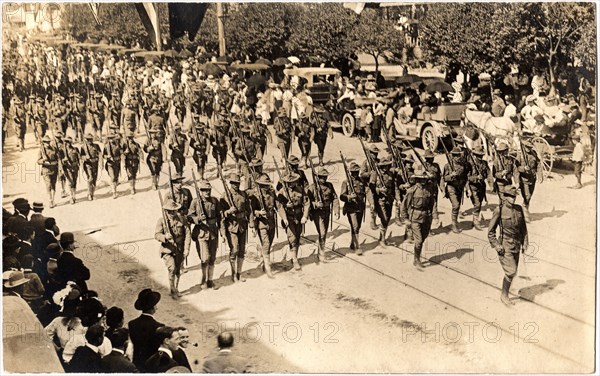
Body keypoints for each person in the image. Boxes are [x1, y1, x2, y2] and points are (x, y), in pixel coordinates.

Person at [487, 186, 528, 306]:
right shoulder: (499, 210)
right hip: (505, 245)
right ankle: (504, 295)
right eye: (510, 196)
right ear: (504, 197)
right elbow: (490, 232)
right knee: (511, 271)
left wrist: (525, 243)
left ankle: (505, 293)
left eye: (514, 196)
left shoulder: (519, 209)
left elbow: (523, 229)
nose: (513, 199)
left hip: (517, 244)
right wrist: (496, 245)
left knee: (512, 272)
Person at [188, 180, 222, 290]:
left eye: (208, 190)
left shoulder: (214, 201)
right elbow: (189, 217)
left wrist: (223, 232)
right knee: (204, 258)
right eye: (204, 190)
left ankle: (210, 280)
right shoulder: (195, 202)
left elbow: (219, 217)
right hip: (201, 233)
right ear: (201, 191)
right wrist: (198, 219)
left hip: (213, 232)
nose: (207, 192)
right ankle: (203, 280)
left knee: (212, 258)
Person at [401, 164, 435, 269]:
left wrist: (434, 216)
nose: (423, 181)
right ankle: (417, 259)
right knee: (419, 240)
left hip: (426, 218)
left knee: (423, 239)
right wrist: (406, 219)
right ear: (417, 180)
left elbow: (432, 204)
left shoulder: (429, 189)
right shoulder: (412, 191)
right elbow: (404, 206)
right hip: (415, 218)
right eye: (420, 179)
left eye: (424, 179)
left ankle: (417, 255)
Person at [220, 173, 251, 283]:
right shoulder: (225, 196)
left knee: (242, 250)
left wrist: (251, 223)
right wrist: (228, 212)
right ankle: (233, 274)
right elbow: (221, 215)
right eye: (234, 183)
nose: (236, 185)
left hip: (242, 225)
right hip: (232, 226)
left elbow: (248, 209)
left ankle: (239, 273)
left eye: (237, 183)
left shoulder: (243, 194)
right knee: (234, 250)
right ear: (230, 183)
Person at [276, 172, 310, 271]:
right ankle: (295, 260)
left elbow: (307, 203)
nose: (291, 184)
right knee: (292, 238)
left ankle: (294, 255)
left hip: (299, 217)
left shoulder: (301, 190)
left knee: (298, 237)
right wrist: (284, 217)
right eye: (289, 182)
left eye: (293, 182)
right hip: (289, 218)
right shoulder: (282, 192)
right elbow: (279, 206)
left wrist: (305, 216)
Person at [155, 198, 187, 299]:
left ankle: (176, 288)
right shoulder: (162, 221)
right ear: (166, 211)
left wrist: (187, 249)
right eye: (169, 211)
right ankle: (173, 290)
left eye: (174, 211)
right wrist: (165, 237)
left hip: (179, 249)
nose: (172, 213)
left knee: (177, 270)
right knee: (172, 268)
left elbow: (187, 234)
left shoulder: (181, 219)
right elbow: (156, 234)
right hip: (167, 250)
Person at [306, 167, 339, 262]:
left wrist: (336, 210)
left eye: (325, 177)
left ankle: (320, 251)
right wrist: (316, 204)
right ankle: (321, 253)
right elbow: (307, 202)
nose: (324, 179)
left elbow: (335, 197)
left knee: (324, 233)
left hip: (327, 212)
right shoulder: (312, 187)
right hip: (317, 213)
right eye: (322, 177)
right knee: (322, 233)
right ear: (318, 177)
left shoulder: (329, 185)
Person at [128, 288, 165, 371]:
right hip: (152, 365)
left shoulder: (132, 324)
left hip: (137, 363)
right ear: (153, 307)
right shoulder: (159, 326)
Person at [249, 174, 277, 278]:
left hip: (271, 222)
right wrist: (259, 213)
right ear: (259, 185)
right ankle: (268, 267)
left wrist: (284, 218)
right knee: (266, 243)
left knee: (269, 243)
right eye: (263, 185)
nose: (265, 187)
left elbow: (278, 206)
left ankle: (265, 261)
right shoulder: (255, 196)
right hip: (261, 223)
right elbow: (251, 210)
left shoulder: (272, 194)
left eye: (267, 185)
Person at [339, 161, 366, 254]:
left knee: (357, 226)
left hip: (360, 207)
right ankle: (357, 246)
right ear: (350, 172)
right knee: (355, 226)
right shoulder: (346, 182)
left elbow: (366, 191)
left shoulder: (362, 180)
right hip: (351, 208)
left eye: (357, 172)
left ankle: (353, 243)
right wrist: (349, 197)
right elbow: (342, 196)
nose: (356, 174)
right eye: (354, 172)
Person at [370, 156, 397, 246]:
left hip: (389, 199)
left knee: (387, 218)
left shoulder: (390, 174)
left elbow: (394, 186)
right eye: (384, 166)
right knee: (384, 218)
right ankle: (382, 239)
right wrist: (380, 190)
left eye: (387, 166)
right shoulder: (375, 174)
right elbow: (371, 187)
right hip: (379, 199)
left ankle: (382, 237)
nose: (385, 168)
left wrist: (396, 197)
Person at [443, 147, 469, 233]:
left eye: (458, 155)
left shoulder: (463, 166)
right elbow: (444, 178)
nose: (457, 157)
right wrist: (451, 175)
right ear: (452, 156)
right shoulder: (447, 166)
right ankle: (453, 225)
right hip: (451, 187)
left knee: (456, 207)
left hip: (459, 188)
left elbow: (465, 178)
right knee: (456, 205)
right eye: (455, 156)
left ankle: (455, 220)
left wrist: (467, 188)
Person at [516, 139, 539, 222]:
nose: (528, 149)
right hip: (524, 178)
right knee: (527, 196)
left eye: (530, 147)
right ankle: (525, 212)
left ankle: (525, 210)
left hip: (532, 178)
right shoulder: (520, 155)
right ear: (524, 146)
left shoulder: (534, 153)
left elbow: (538, 164)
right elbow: (516, 167)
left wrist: (540, 175)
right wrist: (523, 168)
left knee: (530, 195)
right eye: (527, 147)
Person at [466, 146, 489, 230]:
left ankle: (474, 220)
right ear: (474, 155)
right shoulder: (469, 164)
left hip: (481, 187)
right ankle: (476, 222)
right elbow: (467, 177)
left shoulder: (484, 163)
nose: (480, 157)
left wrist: (483, 177)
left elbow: (487, 174)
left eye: (481, 156)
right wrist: (476, 178)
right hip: (473, 187)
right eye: (478, 155)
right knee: (477, 204)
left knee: (479, 203)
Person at [359, 145, 381, 230]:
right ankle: (373, 221)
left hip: (378, 185)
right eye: (373, 153)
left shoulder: (378, 162)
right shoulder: (366, 162)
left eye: (376, 154)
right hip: (369, 186)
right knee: (373, 203)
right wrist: (369, 173)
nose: (375, 156)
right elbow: (362, 174)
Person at [37, 135, 59, 207]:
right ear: (43, 142)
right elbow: (38, 161)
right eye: (46, 142)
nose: (47, 143)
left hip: (54, 169)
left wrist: (55, 163)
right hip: (46, 170)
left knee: (53, 185)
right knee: (48, 185)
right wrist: (44, 160)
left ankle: (53, 200)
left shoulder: (54, 149)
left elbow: (57, 158)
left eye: (48, 142)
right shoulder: (41, 150)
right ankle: (50, 200)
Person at [80, 133, 101, 200]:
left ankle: (92, 194)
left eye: (91, 139)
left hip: (95, 164)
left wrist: (101, 162)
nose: (90, 141)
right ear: (86, 140)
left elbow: (100, 154)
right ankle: (89, 193)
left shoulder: (96, 145)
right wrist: (85, 157)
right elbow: (81, 156)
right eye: (88, 139)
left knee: (94, 179)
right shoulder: (83, 147)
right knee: (90, 178)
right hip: (88, 164)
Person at [103, 131, 123, 199]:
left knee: (116, 177)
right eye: (109, 138)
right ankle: (114, 192)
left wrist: (121, 154)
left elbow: (121, 152)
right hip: (110, 164)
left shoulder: (118, 145)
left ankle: (115, 187)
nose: (111, 139)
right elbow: (103, 155)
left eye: (112, 138)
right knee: (112, 177)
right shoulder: (106, 146)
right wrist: (107, 157)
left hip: (117, 163)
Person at [62, 136, 80, 204]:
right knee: (70, 182)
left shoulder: (75, 149)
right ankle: (70, 197)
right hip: (67, 168)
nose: (68, 143)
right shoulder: (62, 151)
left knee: (74, 182)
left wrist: (77, 164)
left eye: (69, 142)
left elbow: (79, 158)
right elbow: (60, 160)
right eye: (66, 142)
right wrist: (64, 160)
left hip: (75, 167)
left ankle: (74, 196)